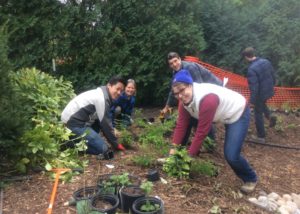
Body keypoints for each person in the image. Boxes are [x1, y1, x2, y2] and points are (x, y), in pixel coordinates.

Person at [170, 69, 258, 193]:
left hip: (238, 113)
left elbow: (201, 132)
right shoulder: (183, 101)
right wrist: (173, 151)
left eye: (182, 90)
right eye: (176, 93)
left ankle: (250, 178)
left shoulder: (207, 99)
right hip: (224, 114)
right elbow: (181, 126)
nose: (180, 95)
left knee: (231, 155)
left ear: (190, 85)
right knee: (230, 152)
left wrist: (188, 158)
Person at [161, 52, 223, 145]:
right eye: (171, 63)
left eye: (175, 61)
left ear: (180, 59)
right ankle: (187, 142)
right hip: (204, 90)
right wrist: (167, 106)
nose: (174, 64)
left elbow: (200, 86)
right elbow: (173, 90)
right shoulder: (176, 72)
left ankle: (210, 143)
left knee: (203, 113)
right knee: (192, 113)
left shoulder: (190, 68)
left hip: (214, 88)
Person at [61, 76, 127, 156]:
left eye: (121, 91)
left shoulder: (101, 93)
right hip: (73, 124)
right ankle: (69, 144)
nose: (119, 93)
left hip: (77, 121)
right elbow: (106, 124)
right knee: (105, 150)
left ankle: (77, 141)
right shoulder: (101, 98)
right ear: (109, 85)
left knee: (98, 123)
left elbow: (103, 122)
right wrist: (116, 144)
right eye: (117, 89)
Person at [242, 47, 277, 143]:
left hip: (260, 93)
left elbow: (254, 87)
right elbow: (273, 75)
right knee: (262, 104)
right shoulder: (266, 61)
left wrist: (252, 101)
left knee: (258, 113)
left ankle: (261, 137)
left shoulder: (251, 70)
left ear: (246, 57)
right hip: (269, 90)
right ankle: (270, 116)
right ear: (254, 53)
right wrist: (273, 86)